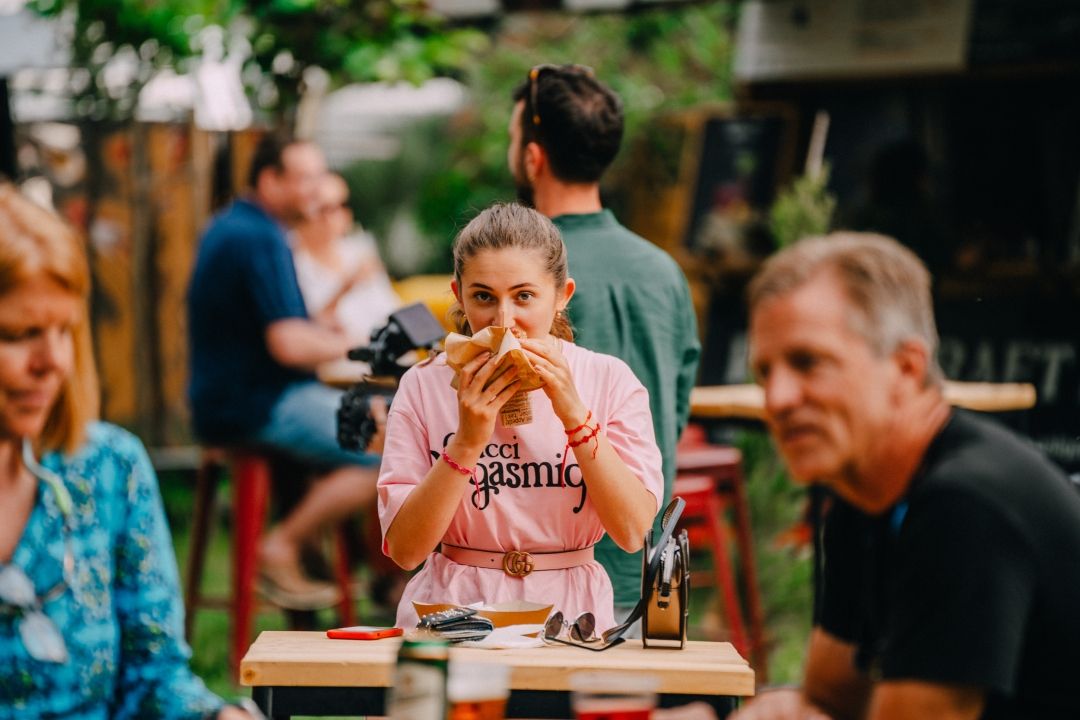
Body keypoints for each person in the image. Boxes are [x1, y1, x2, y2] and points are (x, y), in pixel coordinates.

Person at [733, 233, 1080, 719]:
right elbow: (829, 701)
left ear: (906, 367)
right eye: (765, 373)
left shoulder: (966, 505)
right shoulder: (862, 496)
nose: (777, 399)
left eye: (808, 362)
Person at [0, 185, 250, 718]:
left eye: (64, 331)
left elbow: (153, 679)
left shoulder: (107, 468)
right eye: (20, 334)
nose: (52, 362)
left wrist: (220, 715)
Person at [377, 203, 663, 631]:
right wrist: (467, 443)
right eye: (483, 297)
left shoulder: (608, 379)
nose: (504, 321)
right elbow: (405, 550)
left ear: (562, 296)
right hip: (454, 611)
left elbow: (632, 531)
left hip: (569, 612)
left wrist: (574, 414)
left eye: (524, 296)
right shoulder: (423, 386)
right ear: (458, 296)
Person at [507, 64, 701, 627]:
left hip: (549, 573)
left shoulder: (519, 283)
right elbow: (676, 411)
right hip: (649, 567)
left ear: (533, 158)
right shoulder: (663, 271)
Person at [187, 134, 380, 610]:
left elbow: (282, 328)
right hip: (254, 405)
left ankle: (323, 553)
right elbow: (288, 344)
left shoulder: (239, 226)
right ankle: (285, 545)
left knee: (386, 423)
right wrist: (357, 346)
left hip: (237, 398)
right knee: (394, 444)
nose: (317, 189)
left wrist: (323, 329)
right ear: (270, 180)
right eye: (306, 179)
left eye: (320, 176)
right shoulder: (259, 237)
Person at [291, 172, 401, 351]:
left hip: (381, 360)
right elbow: (299, 332)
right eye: (323, 208)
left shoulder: (358, 251)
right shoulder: (292, 260)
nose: (336, 215)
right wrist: (345, 288)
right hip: (333, 366)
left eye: (342, 205)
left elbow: (391, 309)